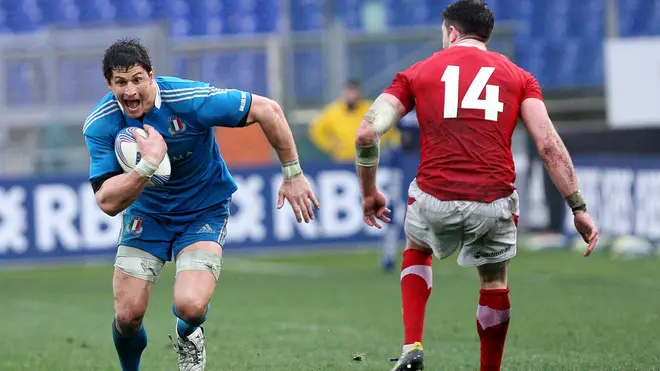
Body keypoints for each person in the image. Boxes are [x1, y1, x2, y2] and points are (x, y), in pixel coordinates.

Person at [352, 1, 599, 370]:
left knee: (417, 247)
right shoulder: (520, 77)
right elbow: (549, 145)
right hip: (494, 201)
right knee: (494, 282)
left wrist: (369, 192)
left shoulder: (418, 72)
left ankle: (412, 344)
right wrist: (578, 207)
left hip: (435, 196)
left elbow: (367, 132)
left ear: (451, 32)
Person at [83, 38, 319, 371]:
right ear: (110, 84)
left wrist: (293, 174)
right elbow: (106, 201)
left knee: (190, 306)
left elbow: (268, 110)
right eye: (120, 83)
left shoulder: (189, 99)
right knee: (127, 316)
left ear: (151, 75)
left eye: (137, 79)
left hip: (202, 209)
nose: (130, 90)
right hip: (147, 215)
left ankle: (188, 334)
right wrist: (147, 166)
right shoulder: (101, 123)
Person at [309, 80, 399, 163]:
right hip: (343, 159)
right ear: (343, 93)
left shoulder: (370, 108)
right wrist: (331, 145)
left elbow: (389, 128)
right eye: (349, 92)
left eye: (354, 92)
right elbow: (316, 130)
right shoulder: (333, 111)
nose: (352, 95)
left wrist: (378, 143)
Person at [379, 109, 420, 272]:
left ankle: (418, 256)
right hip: (401, 162)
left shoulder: (429, 105)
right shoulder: (400, 108)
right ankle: (388, 254)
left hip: (421, 160)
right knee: (396, 209)